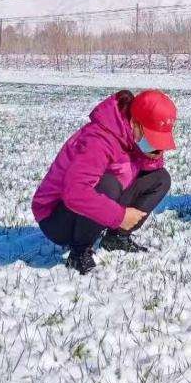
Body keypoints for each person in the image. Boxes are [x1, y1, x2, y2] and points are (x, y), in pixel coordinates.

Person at [32, 89, 175, 274]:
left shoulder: (131, 135)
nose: (155, 145)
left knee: (160, 179)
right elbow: (75, 193)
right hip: (56, 217)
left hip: (95, 202)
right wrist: (120, 216)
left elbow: (147, 169)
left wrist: (151, 153)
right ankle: (79, 251)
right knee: (109, 185)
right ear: (134, 123)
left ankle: (116, 238)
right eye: (152, 139)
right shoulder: (99, 139)